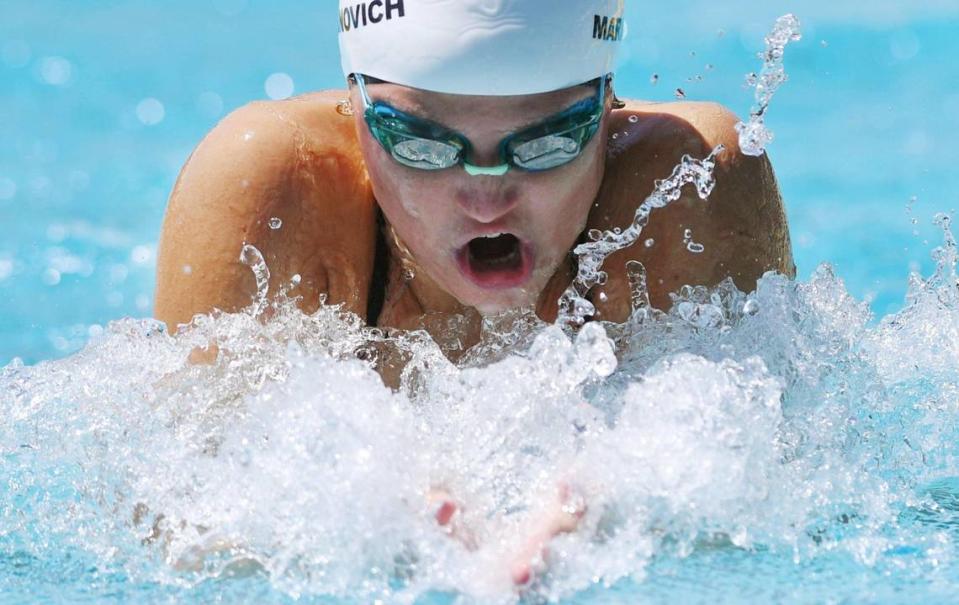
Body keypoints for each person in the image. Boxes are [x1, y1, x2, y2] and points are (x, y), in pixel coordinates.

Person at [153, 0, 794, 587]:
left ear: (607, 108)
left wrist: (622, 506)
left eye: (546, 143)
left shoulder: (692, 180)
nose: (487, 199)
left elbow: (780, 490)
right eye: (422, 145)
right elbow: (174, 529)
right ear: (357, 111)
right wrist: (359, 509)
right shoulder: (276, 187)